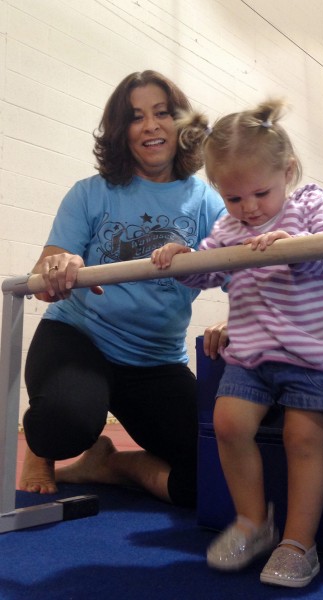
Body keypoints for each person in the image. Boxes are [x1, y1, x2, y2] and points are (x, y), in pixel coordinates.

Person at [151, 99, 323, 586]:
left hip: (314, 350)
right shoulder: (228, 228)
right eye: (234, 199)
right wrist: (182, 258)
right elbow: (209, 270)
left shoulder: (309, 204)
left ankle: (298, 542)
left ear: (287, 171)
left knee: (302, 438)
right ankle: (252, 521)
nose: (249, 209)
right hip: (252, 353)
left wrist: (294, 246)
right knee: (227, 423)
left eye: (260, 194)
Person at [19, 70, 226, 509]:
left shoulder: (208, 203)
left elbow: (245, 277)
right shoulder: (91, 193)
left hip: (154, 362)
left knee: (218, 469)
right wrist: (59, 265)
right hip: (79, 341)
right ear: (121, 132)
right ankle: (43, 452)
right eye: (135, 118)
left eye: (162, 113)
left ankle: (112, 466)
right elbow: (44, 274)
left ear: (181, 124)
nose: (150, 126)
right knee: (63, 423)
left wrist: (236, 317)